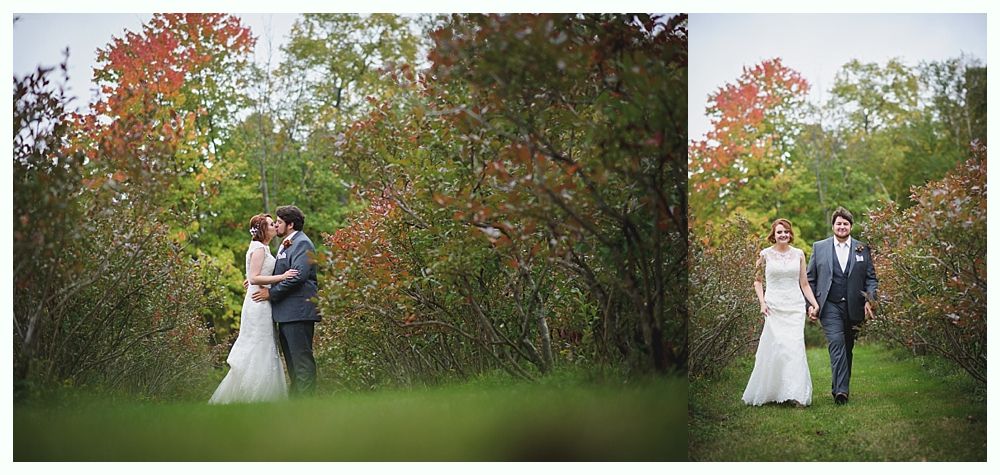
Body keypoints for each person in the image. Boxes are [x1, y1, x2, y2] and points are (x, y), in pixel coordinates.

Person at [210, 214, 298, 404]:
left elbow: (254, 275)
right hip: (258, 304)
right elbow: (255, 278)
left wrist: (255, 280)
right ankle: (253, 395)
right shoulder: (259, 248)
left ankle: (261, 395)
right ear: (263, 230)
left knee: (264, 344)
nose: (275, 226)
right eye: (270, 224)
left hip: (260, 301)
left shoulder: (263, 247)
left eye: (275, 224)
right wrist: (282, 277)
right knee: (259, 345)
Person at [742, 218, 820, 407]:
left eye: (786, 231)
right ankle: (771, 392)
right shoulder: (764, 255)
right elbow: (757, 281)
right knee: (776, 348)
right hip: (773, 307)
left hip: (794, 307)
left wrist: (814, 304)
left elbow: (804, 283)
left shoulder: (799, 254)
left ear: (790, 234)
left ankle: (797, 395)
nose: (783, 235)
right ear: (774, 235)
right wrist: (762, 302)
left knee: (794, 349)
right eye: (779, 232)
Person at [807, 207, 878, 405]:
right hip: (829, 305)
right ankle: (841, 391)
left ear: (851, 227)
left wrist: (869, 299)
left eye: (845, 224)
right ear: (833, 226)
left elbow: (871, 278)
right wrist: (811, 304)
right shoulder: (819, 247)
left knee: (847, 347)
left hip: (854, 307)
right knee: (836, 343)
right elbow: (810, 278)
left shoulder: (862, 248)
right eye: (838, 223)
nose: (842, 227)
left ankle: (840, 385)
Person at [251, 205, 320, 395]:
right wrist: (258, 278)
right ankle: (295, 405)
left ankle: (307, 406)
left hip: (298, 312)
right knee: (292, 364)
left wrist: (271, 294)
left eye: (279, 222)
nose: (276, 225)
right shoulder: (287, 243)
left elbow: (298, 276)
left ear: (290, 224)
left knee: (302, 362)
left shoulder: (302, 243)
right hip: (286, 314)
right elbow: (280, 273)